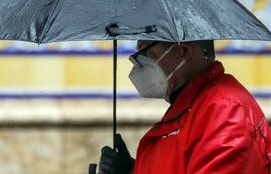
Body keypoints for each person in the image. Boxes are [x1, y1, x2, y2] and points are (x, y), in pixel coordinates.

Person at [98, 40, 271, 174]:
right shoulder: (189, 107)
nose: (137, 65)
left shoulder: (225, 112)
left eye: (145, 51)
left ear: (183, 51)